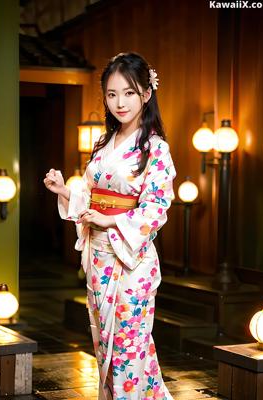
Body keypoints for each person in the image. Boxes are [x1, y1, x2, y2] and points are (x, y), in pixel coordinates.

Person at [44, 52, 176, 400]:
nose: (120, 102)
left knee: (130, 345)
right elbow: (90, 197)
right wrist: (65, 191)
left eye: (129, 93)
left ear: (147, 94)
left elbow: (156, 207)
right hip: (99, 258)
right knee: (105, 342)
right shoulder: (103, 145)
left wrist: (112, 219)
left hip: (132, 262)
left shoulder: (156, 150)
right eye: (112, 93)